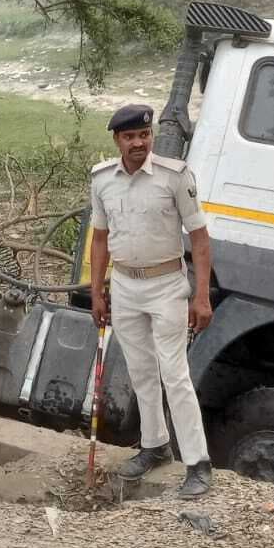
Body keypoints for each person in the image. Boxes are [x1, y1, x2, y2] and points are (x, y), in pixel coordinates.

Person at [88, 104, 215, 499]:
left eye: (144, 135)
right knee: (141, 371)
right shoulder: (102, 180)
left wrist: (202, 296)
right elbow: (100, 239)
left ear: (151, 136)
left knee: (174, 374)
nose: (138, 143)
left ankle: (197, 463)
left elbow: (200, 239)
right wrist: (96, 291)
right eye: (129, 137)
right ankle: (155, 446)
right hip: (125, 286)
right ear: (117, 140)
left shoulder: (174, 176)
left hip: (166, 286)